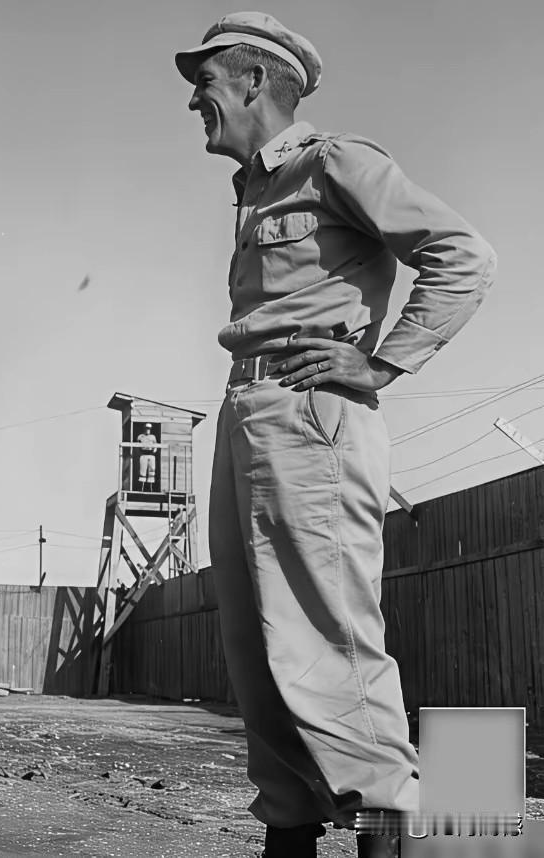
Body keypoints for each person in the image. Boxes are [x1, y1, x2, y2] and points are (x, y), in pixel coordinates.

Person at [174, 13, 495, 858]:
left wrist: (384, 365)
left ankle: (404, 827)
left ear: (253, 81)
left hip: (311, 416)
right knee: (258, 652)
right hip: (250, 413)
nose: (194, 101)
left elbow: (464, 254)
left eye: (205, 83)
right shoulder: (254, 187)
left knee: (331, 646)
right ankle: (289, 826)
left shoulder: (335, 161)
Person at [137, 422, 158, 491]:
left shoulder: (153, 437)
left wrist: (154, 450)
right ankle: (141, 488)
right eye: (147, 428)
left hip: (151, 455)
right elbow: (137, 445)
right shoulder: (140, 436)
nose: (148, 430)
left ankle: (151, 489)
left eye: (149, 428)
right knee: (142, 471)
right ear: (144, 428)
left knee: (152, 471)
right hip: (143, 454)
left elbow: (155, 445)